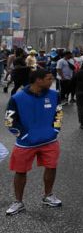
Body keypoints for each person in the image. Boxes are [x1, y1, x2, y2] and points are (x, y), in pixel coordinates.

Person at [4, 69, 64, 215]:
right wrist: (24, 136)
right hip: (25, 144)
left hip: (50, 141)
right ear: (38, 80)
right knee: (20, 171)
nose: (52, 82)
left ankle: (48, 196)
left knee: (51, 167)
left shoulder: (54, 95)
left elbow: (59, 113)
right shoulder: (17, 97)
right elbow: (9, 120)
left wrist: (54, 131)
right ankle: (18, 202)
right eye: (49, 79)